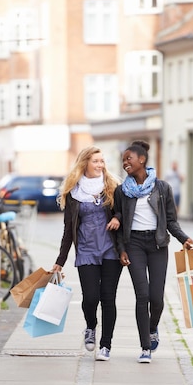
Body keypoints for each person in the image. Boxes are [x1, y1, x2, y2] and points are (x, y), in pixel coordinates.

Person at [113, 140, 193, 364]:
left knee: (157, 299)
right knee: (143, 296)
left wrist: (184, 239)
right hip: (134, 245)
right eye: (123, 160)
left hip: (158, 245)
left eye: (128, 159)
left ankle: (152, 327)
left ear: (142, 160)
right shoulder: (122, 191)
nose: (125, 163)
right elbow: (119, 224)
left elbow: (170, 221)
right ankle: (145, 347)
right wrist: (121, 249)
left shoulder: (162, 188)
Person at [52, 146, 122, 361]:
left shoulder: (113, 186)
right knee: (91, 298)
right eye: (96, 161)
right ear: (85, 163)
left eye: (102, 161)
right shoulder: (73, 192)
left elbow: (125, 210)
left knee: (108, 298)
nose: (100, 165)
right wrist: (60, 261)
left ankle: (106, 346)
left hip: (110, 250)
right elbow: (67, 230)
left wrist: (117, 217)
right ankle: (91, 326)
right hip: (86, 250)